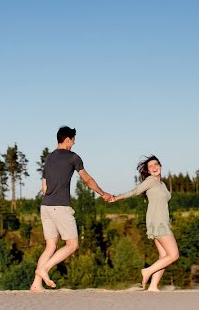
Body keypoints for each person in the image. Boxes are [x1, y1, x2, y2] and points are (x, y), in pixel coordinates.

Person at [30, 125, 113, 292]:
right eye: (73, 140)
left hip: (45, 206)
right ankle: (44, 269)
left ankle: (36, 284)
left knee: (50, 246)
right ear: (67, 139)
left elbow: (44, 187)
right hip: (60, 206)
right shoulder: (73, 157)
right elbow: (87, 180)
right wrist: (103, 193)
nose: (73, 143)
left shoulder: (49, 158)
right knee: (72, 244)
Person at [109, 155, 179, 291]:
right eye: (150, 166)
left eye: (156, 164)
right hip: (158, 223)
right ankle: (147, 271)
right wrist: (116, 198)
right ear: (147, 171)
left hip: (161, 222)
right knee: (174, 255)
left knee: (164, 256)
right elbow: (135, 191)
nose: (154, 167)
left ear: (160, 166)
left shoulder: (162, 184)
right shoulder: (151, 180)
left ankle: (153, 286)